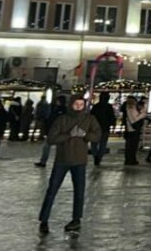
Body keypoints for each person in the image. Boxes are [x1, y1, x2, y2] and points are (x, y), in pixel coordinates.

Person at [37, 93, 100, 235]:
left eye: (81, 105)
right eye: (76, 104)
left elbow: (97, 136)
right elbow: (52, 138)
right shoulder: (62, 120)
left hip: (80, 161)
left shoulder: (89, 119)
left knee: (79, 191)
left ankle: (76, 219)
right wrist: (69, 135)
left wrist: (85, 135)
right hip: (62, 160)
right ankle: (44, 220)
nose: (78, 107)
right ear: (71, 105)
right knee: (52, 190)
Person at [35, 95, 68, 167]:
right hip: (55, 131)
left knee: (49, 146)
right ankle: (46, 162)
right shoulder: (58, 109)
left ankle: (44, 162)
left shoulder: (61, 110)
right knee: (49, 146)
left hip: (57, 131)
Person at [90, 91, 116, 166]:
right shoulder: (109, 107)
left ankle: (95, 156)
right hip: (105, 128)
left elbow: (91, 116)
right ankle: (99, 158)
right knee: (103, 144)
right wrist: (112, 125)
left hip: (95, 128)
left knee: (94, 143)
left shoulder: (96, 106)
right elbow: (112, 117)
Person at [124, 97, 147, 165]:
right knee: (133, 145)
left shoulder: (127, 108)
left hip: (129, 128)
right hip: (134, 129)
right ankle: (131, 159)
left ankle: (129, 159)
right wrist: (142, 114)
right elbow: (134, 119)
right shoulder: (132, 108)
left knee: (129, 145)